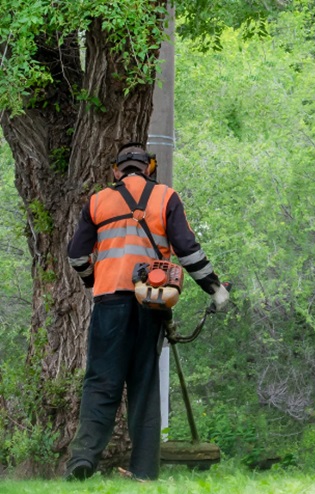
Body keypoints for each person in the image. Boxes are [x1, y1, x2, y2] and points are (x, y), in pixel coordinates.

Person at [65, 142, 229, 481]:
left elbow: (76, 256)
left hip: (109, 302)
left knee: (100, 383)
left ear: (116, 170)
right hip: (150, 304)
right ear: (148, 168)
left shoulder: (97, 202)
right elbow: (188, 250)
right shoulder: (166, 198)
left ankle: (82, 460)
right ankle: (143, 470)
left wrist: (93, 281)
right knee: (143, 386)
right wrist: (215, 287)